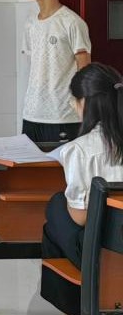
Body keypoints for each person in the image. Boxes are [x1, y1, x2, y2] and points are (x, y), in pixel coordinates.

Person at [40, 63, 123, 315]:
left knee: (56, 207)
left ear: (84, 102)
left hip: (103, 251)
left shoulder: (79, 150)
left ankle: (74, 304)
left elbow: (80, 217)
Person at [22, 0, 91, 143]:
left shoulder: (72, 22)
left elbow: (84, 68)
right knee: (30, 162)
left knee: (61, 163)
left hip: (63, 115)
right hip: (32, 113)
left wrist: (82, 106)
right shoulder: (30, 23)